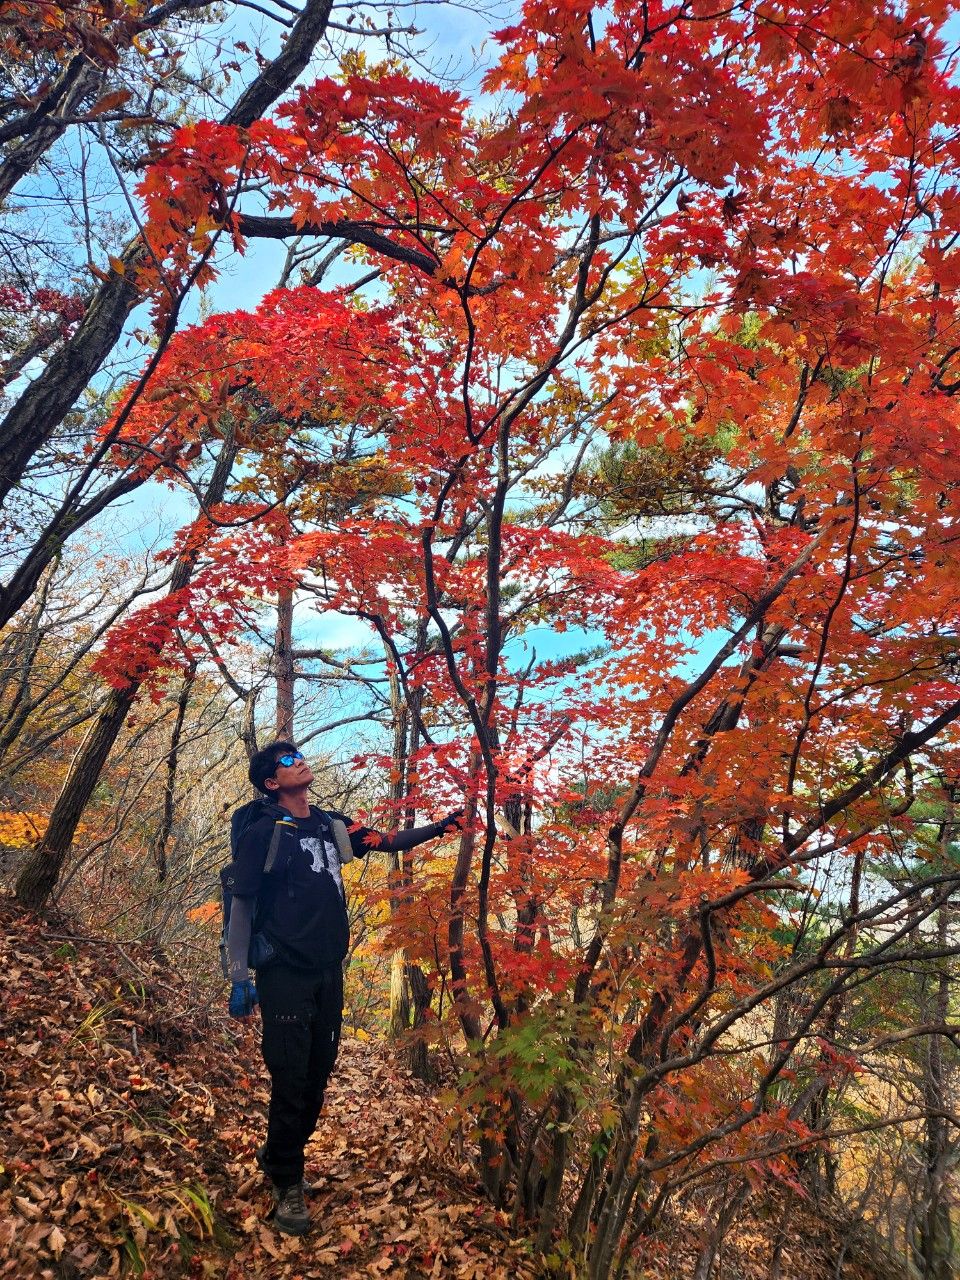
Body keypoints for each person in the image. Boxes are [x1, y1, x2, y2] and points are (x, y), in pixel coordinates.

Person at [225, 739, 462, 1236]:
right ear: (271, 782)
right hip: (284, 972)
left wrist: (443, 827)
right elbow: (242, 904)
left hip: (329, 970)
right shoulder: (264, 832)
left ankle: (280, 1154)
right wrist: (239, 975)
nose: (298, 761)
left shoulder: (331, 825)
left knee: (316, 1076)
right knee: (291, 1077)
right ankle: (286, 1180)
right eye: (286, 761)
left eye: (297, 755)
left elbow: (388, 840)